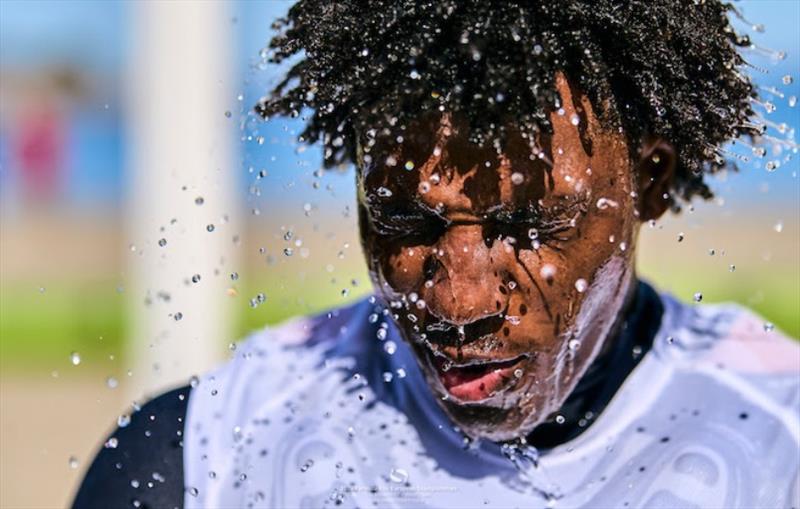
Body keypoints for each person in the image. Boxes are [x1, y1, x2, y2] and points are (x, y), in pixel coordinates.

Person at [73, 1, 800, 508]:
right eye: (401, 217)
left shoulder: (778, 443)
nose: (456, 302)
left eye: (528, 223)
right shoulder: (203, 461)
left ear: (651, 180)